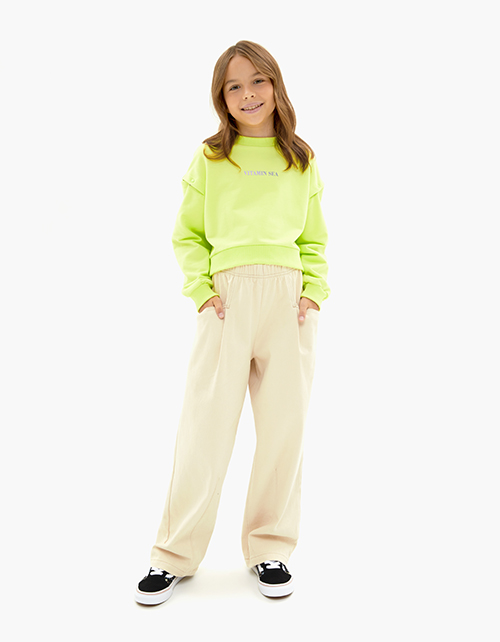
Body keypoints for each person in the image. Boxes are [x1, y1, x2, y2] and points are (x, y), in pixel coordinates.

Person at [134, 39, 330, 605]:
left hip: (288, 304)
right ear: (221, 97)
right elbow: (187, 235)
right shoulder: (210, 158)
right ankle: (173, 554)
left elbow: (315, 239)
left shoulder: (301, 159)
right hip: (225, 301)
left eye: (258, 81)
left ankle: (270, 547)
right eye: (234, 85)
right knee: (204, 430)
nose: (248, 94)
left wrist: (312, 294)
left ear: (276, 85)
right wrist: (202, 292)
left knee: (284, 432)